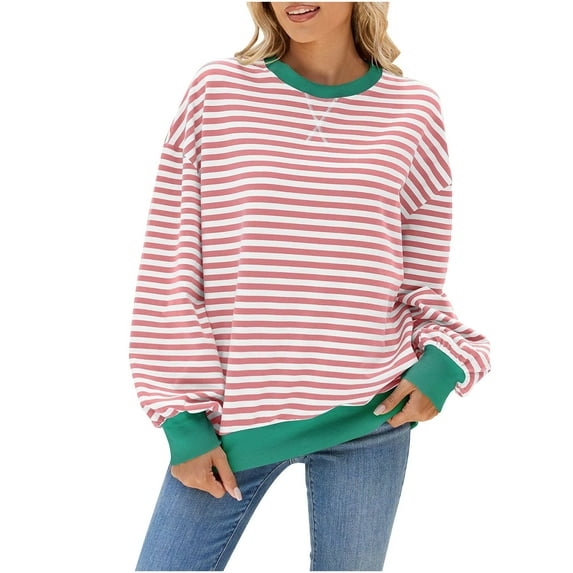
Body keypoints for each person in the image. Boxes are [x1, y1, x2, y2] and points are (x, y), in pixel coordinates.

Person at [129, 2, 491, 570]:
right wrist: (181, 418)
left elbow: (421, 280)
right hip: (232, 423)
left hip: (373, 414)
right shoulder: (219, 91)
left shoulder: (413, 110)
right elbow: (172, 265)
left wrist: (443, 366)